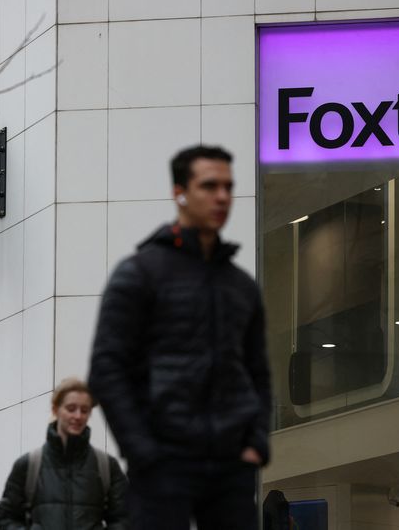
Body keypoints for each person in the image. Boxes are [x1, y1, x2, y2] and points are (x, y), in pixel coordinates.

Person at [89, 144, 272, 530]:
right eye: (209, 185)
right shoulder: (139, 274)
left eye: (227, 186)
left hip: (231, 466)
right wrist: (143, 452)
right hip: (163, 462)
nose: (222, 197)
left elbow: (258, 372)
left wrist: (256, 443)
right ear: (179, 192)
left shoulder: (241, 286)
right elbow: (107, 369)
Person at [0, 377, 128, 530]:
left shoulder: (107, 467)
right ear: (55, 409)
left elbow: (125, 518)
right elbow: (4, 518)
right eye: (71, 408)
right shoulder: (29, 465)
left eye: (84, 410)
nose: (78, 416)